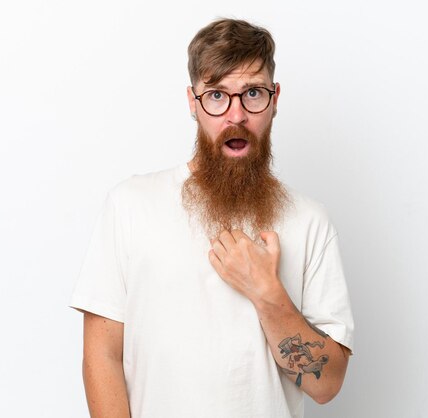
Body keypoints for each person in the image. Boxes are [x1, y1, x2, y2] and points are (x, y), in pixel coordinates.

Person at [70, 18, 354, 418]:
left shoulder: (310, 222)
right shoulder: (130, 205)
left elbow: (326, 385)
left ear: (274, 99)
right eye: (217, 95)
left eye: (252, 93)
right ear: (192, 101)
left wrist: (266, 292)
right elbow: (101, 356)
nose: (235, 116)